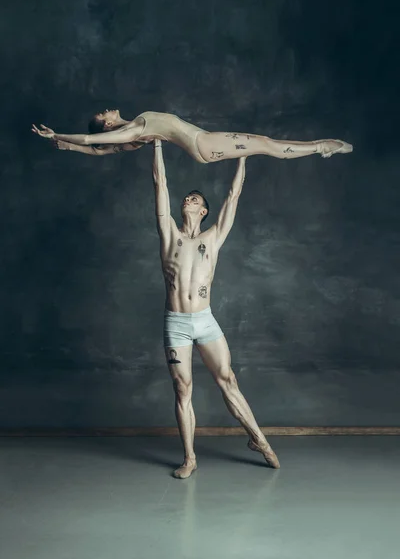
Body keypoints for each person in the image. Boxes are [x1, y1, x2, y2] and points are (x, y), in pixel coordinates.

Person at [152, 139, 280, 478]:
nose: (188, 199)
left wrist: (243, 156)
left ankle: (259, 440)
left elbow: (233, 197)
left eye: (195, 199)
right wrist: (157, 144)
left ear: (203, 210)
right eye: (186, 198)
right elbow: (160, 185)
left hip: (205, 321)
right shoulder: (168, 235)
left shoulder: (213, 237)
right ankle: (190, 459)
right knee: (182, 388)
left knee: (228, 379)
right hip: (176, 323)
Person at [32, 109, 353, 161]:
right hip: (205, 143)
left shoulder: (135, 135)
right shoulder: (133, 129)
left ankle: (320, 147)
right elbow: (93, 143)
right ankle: (322, 147)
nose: (105, 110)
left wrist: (67, 146)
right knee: (267, 145)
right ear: (106, 126)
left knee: (266, 146)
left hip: (204, 148)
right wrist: (58, 135)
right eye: (102, 115)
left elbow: (102, 152)